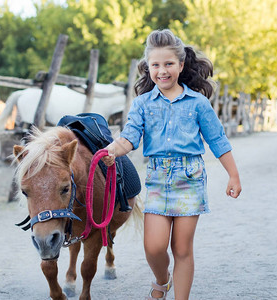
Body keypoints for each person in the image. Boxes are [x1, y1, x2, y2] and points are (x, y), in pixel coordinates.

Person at [101, 29, 242, 300]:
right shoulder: (142, 104)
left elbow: (217, 140)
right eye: (156, 65)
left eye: (168, 64)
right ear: (148, 68)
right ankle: (161, 280)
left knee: (182, 248)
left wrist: (233, 175)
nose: (162, 71)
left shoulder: (198, 103)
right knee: (154, 247)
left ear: (180, 65)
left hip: (190, 178)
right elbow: (129, 137)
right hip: (157, 178)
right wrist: (112, 150)